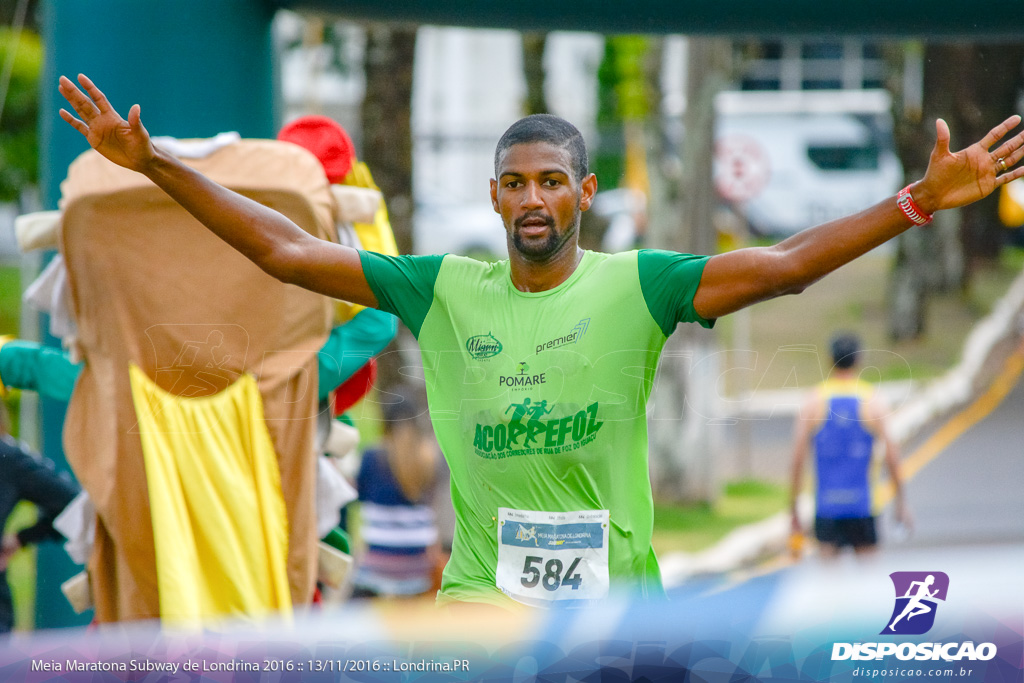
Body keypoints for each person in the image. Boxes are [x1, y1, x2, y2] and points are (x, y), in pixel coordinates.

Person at [57, 73, 1023, 608]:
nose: (532, 198)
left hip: (618, 610)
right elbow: (285, 250)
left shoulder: (640, 285)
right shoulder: (440, 289)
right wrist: (157, 168)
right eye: (515, 182)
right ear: (493, 196)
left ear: (583, 193)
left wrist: (914, 202)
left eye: (551, 181)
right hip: (484, 604)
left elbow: (785, 266)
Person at [789, 333, 908, 559]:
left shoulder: (813, 401)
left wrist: (793, 509)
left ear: (829, 360)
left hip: (826, 507)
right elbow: (892, 455)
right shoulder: (873, 401)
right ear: (859, 359)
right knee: (869, 587)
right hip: (864, 506)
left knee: (829, 587)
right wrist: (901, 502)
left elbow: (797, 459)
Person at [351, 386, 442, 599]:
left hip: (378, 564)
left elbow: (359, 497)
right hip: (419, 565)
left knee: (350, 601)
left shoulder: (373, 456)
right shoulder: (431, 459)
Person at [0, 402, 80, 633]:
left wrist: (21, 538)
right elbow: (74, 503)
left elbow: (73, 504)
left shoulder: (7, 458)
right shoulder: (8, 457)